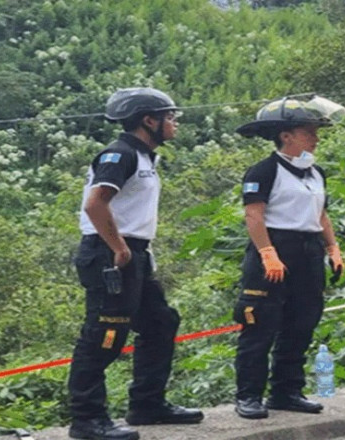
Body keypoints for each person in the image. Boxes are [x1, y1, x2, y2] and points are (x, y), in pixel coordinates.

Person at [68, 87, 203, 440]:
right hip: (109, 252)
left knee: (160, 322)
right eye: (169, 117)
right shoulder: (121, 154)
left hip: (134, 251)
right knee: (104, 334)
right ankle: (87, 419)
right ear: (148, 120)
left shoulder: (144, 157)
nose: (174, 123)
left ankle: (147, 404)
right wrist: (120, 247)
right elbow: (95, 204)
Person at [232, 96, 345, 420]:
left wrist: (332, 248)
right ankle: (249, 395)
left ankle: (286, 391)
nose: (316, 138)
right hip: (274, 247)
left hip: (308, 251)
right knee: (260, 325)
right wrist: (267, 252)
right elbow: (254, 215)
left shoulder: (315, 173)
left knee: (301, 324)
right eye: (309, 132)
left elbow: (321, 214)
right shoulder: (264, 171)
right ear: (286, 136)